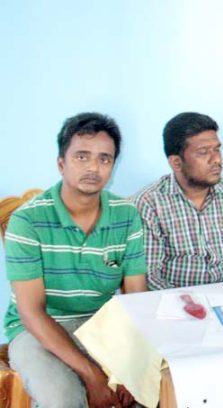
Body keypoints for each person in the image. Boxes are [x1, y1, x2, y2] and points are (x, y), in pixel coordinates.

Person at [4, 113, 146, 407]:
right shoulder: (27, 221)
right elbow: (32, 313)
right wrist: (93, 375)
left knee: (153, 388)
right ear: (61, 163)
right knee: (64, 398)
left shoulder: (127, 215)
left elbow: (136, 300)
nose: (94, 167)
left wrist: (133, 369)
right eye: (82, 156)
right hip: (37, 329)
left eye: (104, 159)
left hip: (100, 325)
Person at [134, 112, 223, 289]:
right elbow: (151, 275)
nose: (216, 159)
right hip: (174, 305)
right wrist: (191, 307)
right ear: (176, 163)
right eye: (203, 152)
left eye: (217, 149)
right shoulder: (149, 203)